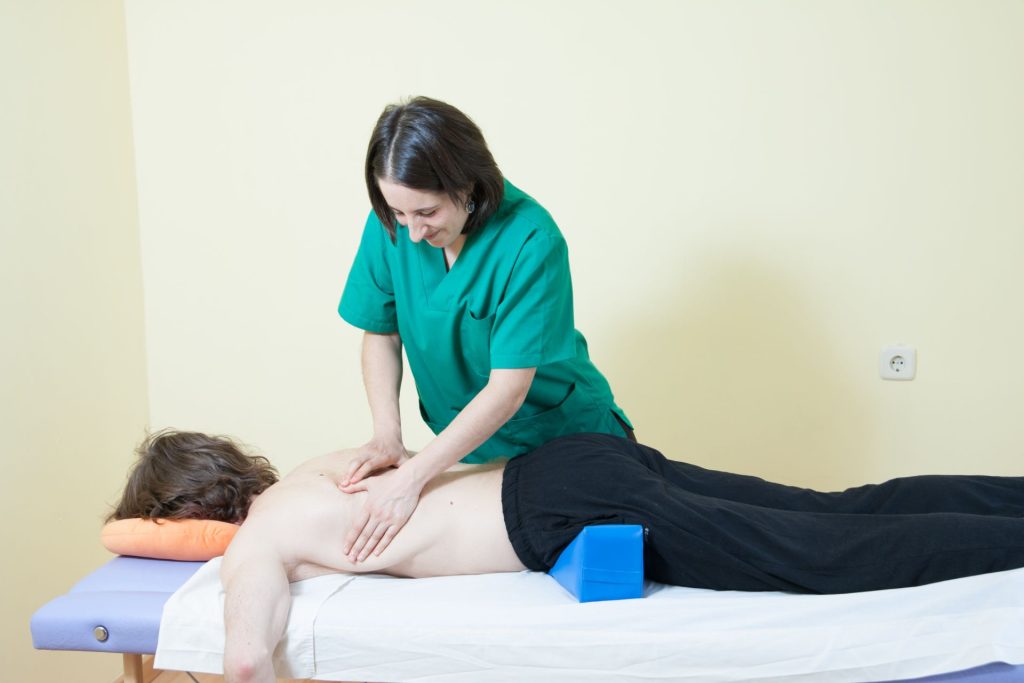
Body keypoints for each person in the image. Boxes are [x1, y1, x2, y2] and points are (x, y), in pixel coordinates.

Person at [112, 429, 1024, 683]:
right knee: (835, 509)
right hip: (572, 460)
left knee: (824, 556)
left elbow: (244, 658)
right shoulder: (323, 465)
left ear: (186, 515)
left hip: (562, 507)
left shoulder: (260, 537)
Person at [336, 96, 633, 563]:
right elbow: (382, 331)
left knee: (606, 565)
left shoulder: (530, 239)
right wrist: (386, 437)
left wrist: (412, 478)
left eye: (427, 213)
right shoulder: (393, 221)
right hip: (473, 455)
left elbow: (508, 389)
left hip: (563, 439)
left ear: (467, 182)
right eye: (399, 214)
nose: (412, 232)